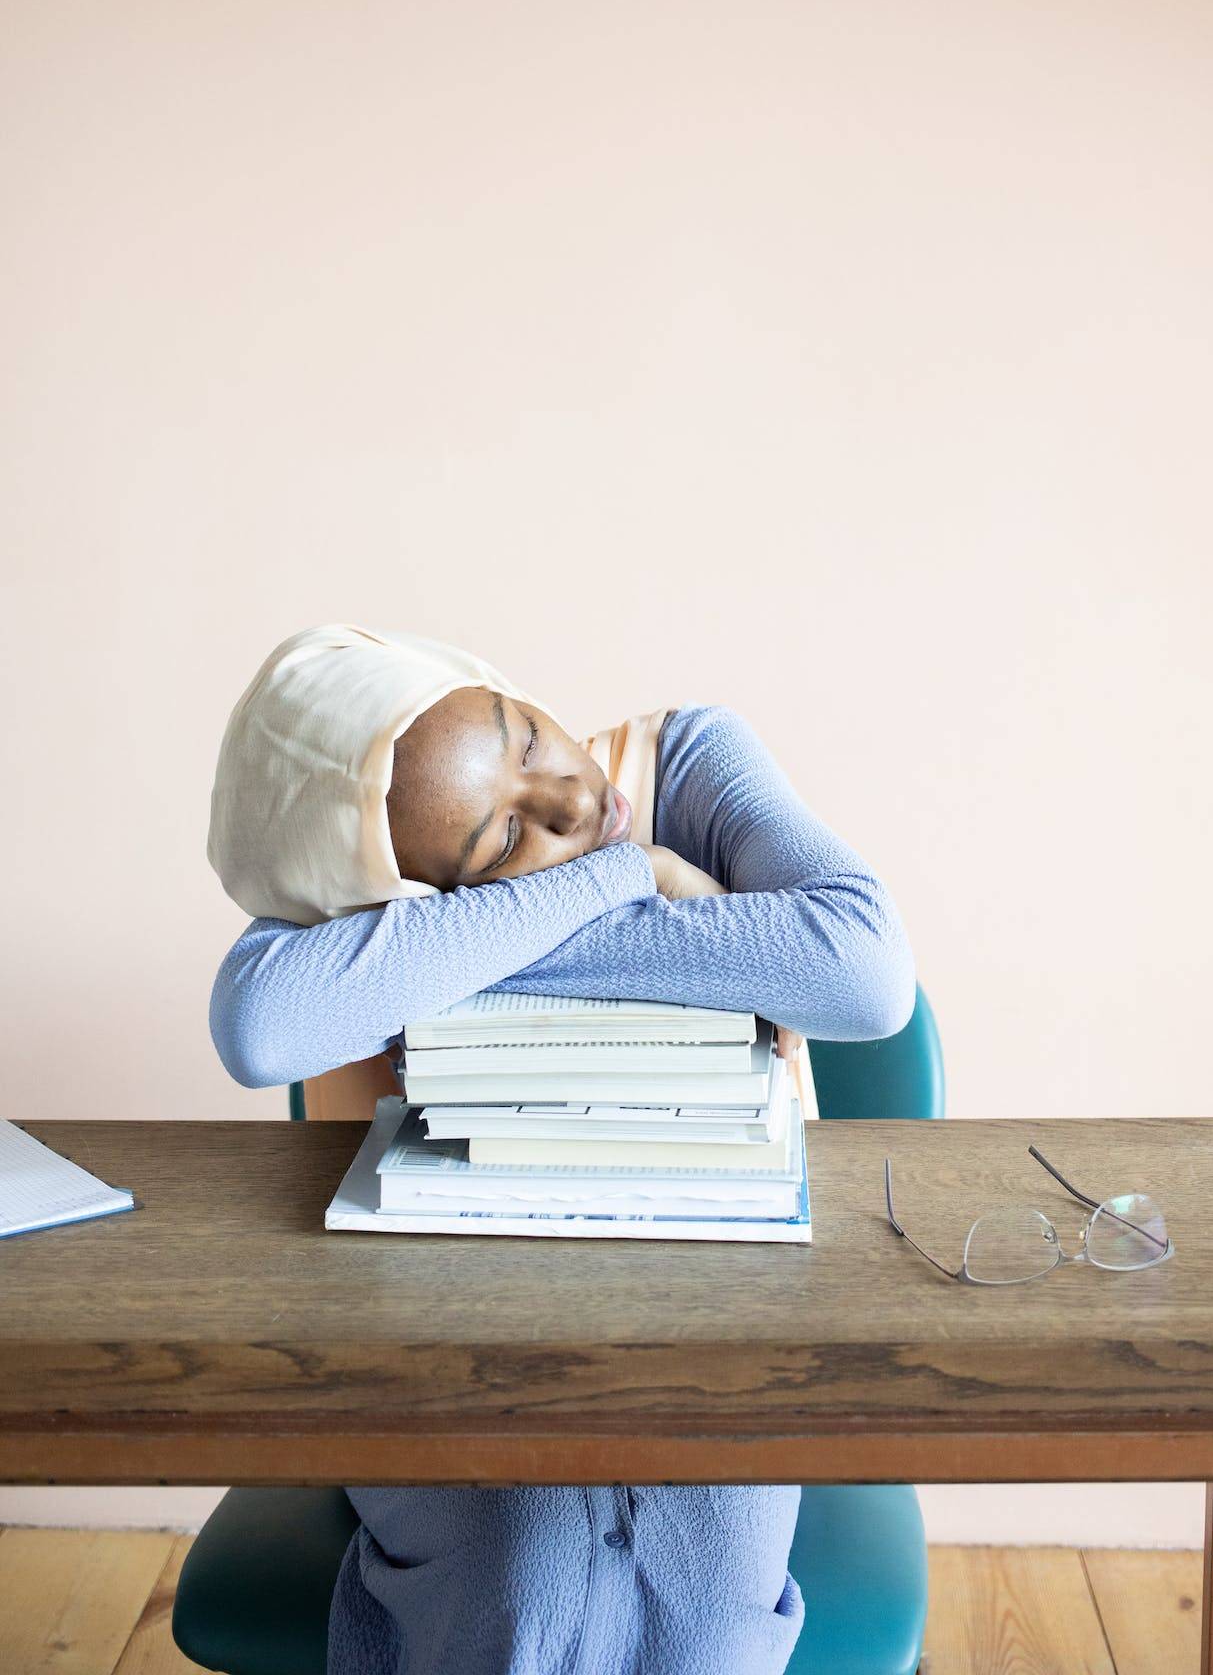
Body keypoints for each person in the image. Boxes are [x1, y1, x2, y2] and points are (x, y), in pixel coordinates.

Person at [207, 624, 916, 1675]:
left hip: (722, 1307)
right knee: (518, 1577)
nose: (573, 802)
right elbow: (262, 1024)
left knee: (708, 1597)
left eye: (529, 736)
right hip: (442, 1320)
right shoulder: (341, 899)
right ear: (398, 896)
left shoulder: (687, 761)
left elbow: (863, 972)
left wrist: (468, 951)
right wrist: (620, 880)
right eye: (500, 847)